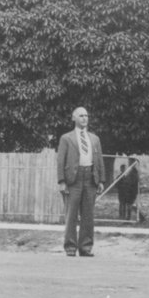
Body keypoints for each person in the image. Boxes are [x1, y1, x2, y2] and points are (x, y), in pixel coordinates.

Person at [57, 106, 105, 257]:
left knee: (88, 215)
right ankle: (70, 247)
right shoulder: (66, 138)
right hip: (73, 180)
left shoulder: (95, 139)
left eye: (86, 116)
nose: (85, 118)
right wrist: (62, 181)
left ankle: (86, 247)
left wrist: (101, 180)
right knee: (71, 215)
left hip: (90, 178)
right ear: (74, 118)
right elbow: (60, 161)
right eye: (81, 116)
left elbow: (99, 160)